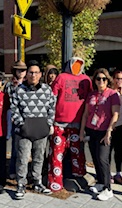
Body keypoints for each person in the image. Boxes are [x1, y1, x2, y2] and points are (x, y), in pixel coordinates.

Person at [10, 60, 56, 199]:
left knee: (39, 157)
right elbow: (14, 109)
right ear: (27, 74)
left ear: (40, 74)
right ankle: (21, 184)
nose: (33, 75)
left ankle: (37, 182)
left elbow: (52, 107)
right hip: (25, 131)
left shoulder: (47, 90)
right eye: (31, 72)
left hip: (41, 129)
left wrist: (48, 124)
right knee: (23, 158)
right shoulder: (19, 89)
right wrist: (21, 124)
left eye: (36, 72)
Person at [48, 57, 92, 192]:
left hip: (78, 124)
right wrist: (50, 121)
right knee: (57, 153)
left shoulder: (86, 80)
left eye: (80, 65)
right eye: (75, 64)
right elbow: (52, 98)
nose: (77, 67)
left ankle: (79, 175)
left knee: (77, 152)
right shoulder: (61, 77)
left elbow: (90, 102)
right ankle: (55, 182)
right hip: (59, 123)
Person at [79, 68, 120, 201]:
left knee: (103, 159)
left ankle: (108, 189)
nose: (101, 81)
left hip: (104, 131)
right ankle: (101, 182)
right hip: (92, 130)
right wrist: (82, 132)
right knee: (95, 157)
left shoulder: (112, 94)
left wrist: (109, 131)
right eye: (98, 79)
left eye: (103, 79)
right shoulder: (91, 95)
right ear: (94, 81)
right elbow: (85, 114)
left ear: (107, 80)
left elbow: (115, 114)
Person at [4, 60, 27, 180]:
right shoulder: (10, 85)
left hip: (28, 119)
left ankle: (24, 171)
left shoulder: (28, 84)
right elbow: (8, 103)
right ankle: (13, 170)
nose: (21, 72)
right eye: (19, 70)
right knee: (15, 146)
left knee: (26, 148)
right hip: (14, 119)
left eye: (23, 70)